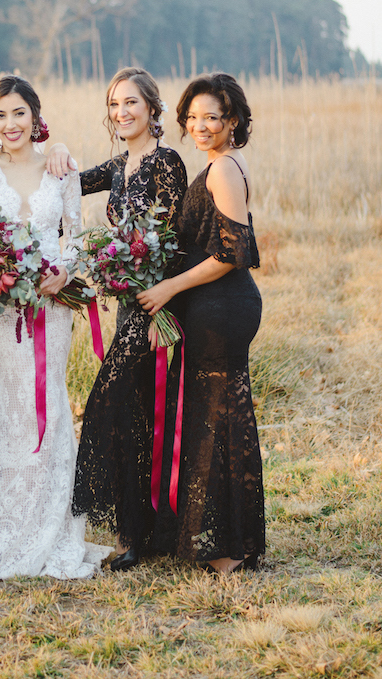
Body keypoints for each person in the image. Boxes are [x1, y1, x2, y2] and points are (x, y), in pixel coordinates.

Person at [0, 76, 110, 579]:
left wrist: (63, 269)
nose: (10, 124)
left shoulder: (61, 167)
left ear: (35, 116)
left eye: (20, 113)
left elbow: (75, 235)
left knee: (51, 398)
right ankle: (2, 522)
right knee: (19, 398)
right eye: (0, 115)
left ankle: (50, 525)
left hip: (52, 301)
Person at [48, 66, 187, 571]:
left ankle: (147, 527)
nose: (121, 112)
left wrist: (162, 311)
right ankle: (140, 533)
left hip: (157, 307)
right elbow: (64, 181)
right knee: (133, 413)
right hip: (128, 303)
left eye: (130, 103)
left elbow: (173, 245)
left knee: (108, 399)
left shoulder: (166, 163)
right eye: (113, 104)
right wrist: (55, 148)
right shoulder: (118, 166)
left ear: (152, 108)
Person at [137, 73, 265, 573]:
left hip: (223, 306)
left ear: (232, 120)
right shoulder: (219, 164)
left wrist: (167, 288)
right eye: (192, 117)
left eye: (211, 116)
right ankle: (225, 538)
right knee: (216, 418)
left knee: (221, 421)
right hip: (212, 305)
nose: (200, 125)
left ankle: (231, 549)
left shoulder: (224, 170)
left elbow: (235, 252)